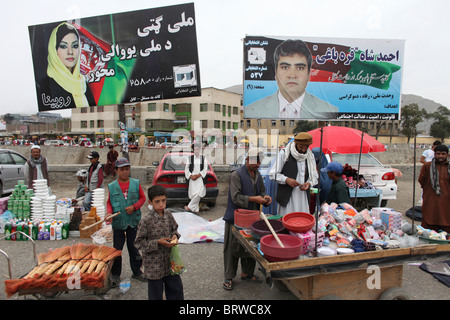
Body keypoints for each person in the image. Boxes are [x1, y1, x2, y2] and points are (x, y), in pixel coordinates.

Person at [245, 39, 339, 119]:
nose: (292, 75)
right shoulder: (251, 110)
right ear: (275, 72)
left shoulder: (330, 111)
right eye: (285, 67)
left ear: (309, 74)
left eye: (300, 68)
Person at [222, 149, 272, 290]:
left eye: (260, 161)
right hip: (235, 217)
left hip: (252, 217)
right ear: (247, 159)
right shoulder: (236, 175)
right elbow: (235, 197)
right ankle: (229, 277)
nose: (258, 164)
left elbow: (261, 192)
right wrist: (253, 199)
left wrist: (266, 198)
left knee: (251, 246)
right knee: (231, 248)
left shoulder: (257, 174)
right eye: (256, 161)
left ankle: (247, 273)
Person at [135, 185, 184, 300]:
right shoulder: (146, 220)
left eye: (163, 200)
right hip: (154, 267)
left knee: (176, 290)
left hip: (170, 263)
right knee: (155, 295)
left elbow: (175, 230)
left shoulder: (168, 215)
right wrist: (158, 243)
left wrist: (174, 236)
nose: (161, 204)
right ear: (150, 202)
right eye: (157, 202)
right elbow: (139, 243)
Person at [106, 157, 147, 286]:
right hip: (118, 222)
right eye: (122, 170)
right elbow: (109, 202)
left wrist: (135, 207)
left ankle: (137, 271)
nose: (125, 172)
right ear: (117, 170)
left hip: (133, 221)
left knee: (133, 247)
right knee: (117, 250)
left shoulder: (135, 183)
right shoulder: (112, 186)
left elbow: (142, 198)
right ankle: (115, 274)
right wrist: (108, 213)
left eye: (127, 169)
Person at [37, 22, 95, 110]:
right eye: (63, 46)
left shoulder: (83, 83)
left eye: (75, 46)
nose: (70, 52)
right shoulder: (46, 86)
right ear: (54, 50)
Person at [269, 132, 318, 216]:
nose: (303, 150)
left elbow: (313, 176)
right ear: (296, 144)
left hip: (303, 197)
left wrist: (308, 183)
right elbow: (273, 174)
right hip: (288, 197)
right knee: (288, 220)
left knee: (302, 220)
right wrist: (286, 179)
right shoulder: (284, 153)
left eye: (306, 147)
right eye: (301, 147)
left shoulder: (310, 156)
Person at [418, 145, 450, 233]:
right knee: (429, 219)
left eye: (443, 154)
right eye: (438, 154)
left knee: (446, 220)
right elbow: (421, 180)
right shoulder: (427, 166)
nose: (440, 156)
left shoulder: (449, 167)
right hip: (431, 198)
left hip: (447, 200)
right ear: (434, 154)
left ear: (447, 155)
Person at [184, 143, 208, 213]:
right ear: (193, 150)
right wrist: (191, 176)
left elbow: (205, 169)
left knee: (199, 193)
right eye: (195, 149)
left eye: (197, 149)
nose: (196, 151)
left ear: (200, 150)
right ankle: (196, 210)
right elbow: (186, 169)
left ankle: (189, 207)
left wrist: (198, 175)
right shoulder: (190, 158)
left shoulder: (203, 158)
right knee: (193, 194)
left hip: (200, 178)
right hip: (192, 179)